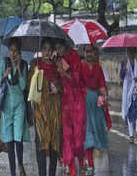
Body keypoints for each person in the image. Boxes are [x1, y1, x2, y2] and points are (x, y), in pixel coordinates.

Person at [28, 38, 62, 176]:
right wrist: (36, 75)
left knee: (54, 141)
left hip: (54, 108)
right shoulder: (35, 65)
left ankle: (52, 173)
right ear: (41, 50)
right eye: (44, 49)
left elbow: (64, 83)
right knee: (41, 141)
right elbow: (29, 86)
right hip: (40, 108)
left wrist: (57, 88)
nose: (47, 52)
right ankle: (42, 173)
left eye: (49, 49)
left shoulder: (57, 65)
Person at [0, 38, 30, 176]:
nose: (13, 53)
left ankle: (20, 164)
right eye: (11, 50)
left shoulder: (23, 64)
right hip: (7, 106)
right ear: (8, 51)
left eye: (16, 51)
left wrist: (18, 69)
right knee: (9, 140)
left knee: (18, 138)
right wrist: (5, 75)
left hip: (19, 106)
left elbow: (23, 86)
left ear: (19, 52)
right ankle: (12, 172)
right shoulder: (3, 63)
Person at [54, 40, 87, 176]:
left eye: (59, 47)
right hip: (65, 102)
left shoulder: (75, 57)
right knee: (67, 137)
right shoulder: (58, 59)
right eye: (56, 48)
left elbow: (77, 81)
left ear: (65, 46)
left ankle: (81, 158)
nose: (58, 50)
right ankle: (71, 168)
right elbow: (58, 81)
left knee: (78, 139)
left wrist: (64, 72)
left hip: (77, 101)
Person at [81, 44, 110, 176]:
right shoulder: (80, 67)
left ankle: (89, 162)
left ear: (94, 53)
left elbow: (102, 86)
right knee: (88, 135)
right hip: (84, 104)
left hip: (96, 105)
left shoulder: (98, 68)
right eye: (86, 52)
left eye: (91, 52)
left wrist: (105, 98)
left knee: (96, 134)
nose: (88, 54)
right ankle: (90, 165)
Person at [120, 47, 137, 143]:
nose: (130, 53)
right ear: (126, 53)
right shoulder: (124, 63)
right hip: (127, 92)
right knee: (130, 112)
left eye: (132, 51)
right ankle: (131, 135)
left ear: (135, 53)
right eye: (128, 51)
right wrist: (124, 69)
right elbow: (121, 76)